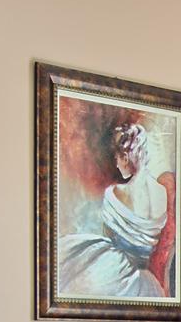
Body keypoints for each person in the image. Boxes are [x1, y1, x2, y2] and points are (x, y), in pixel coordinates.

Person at [57, 120, 172, 298]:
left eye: (117, 158)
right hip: (143, 274)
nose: (117, 165)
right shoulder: (162, 193)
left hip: (117, 268)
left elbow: (109, 234)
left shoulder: (115, 192)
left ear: (125, 158)